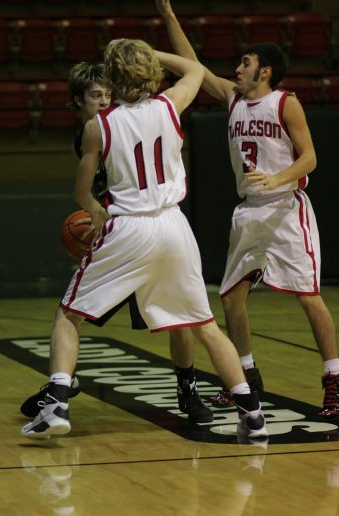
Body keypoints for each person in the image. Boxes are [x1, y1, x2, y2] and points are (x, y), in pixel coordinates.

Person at [21, 38, 268, 440]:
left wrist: (96, 210)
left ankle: (57, 406)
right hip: (174, 225)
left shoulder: (98, 126)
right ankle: (252, 413)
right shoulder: (171, 104)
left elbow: (81, 193)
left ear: (113, 79)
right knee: (204, 325)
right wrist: (149, 52)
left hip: (130, 226)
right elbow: (194, 69)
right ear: (148, 71)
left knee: (69, 315)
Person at [152, 0, 339, 417]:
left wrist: (280, 179)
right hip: (249, 212)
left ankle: (334, 380)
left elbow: (310, 157)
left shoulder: (285, 102)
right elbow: (192, 66)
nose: (238, 67)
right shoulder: (234, 99)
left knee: (308, 296)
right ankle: (248, 376)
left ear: (265, 71)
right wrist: (168, 17)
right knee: (231, 297)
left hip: (285, 211)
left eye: (245, 61)